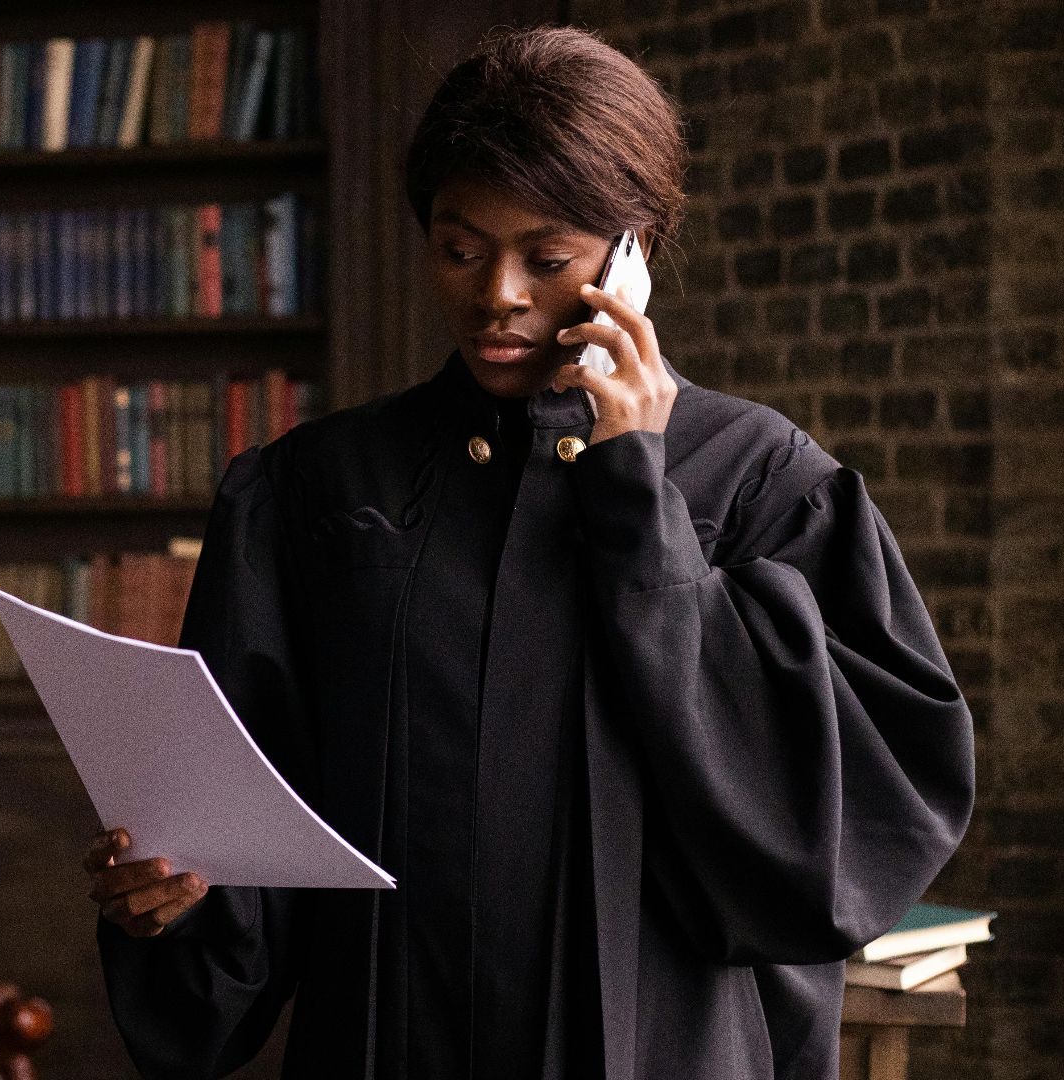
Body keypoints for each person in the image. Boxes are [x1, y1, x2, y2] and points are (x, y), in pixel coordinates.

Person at [81, 23, 975, 1080]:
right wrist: (173, 902)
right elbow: (250, 827)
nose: (496, 293)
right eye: (460, 247)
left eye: (546, 258)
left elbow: (836, 844)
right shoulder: (318, 491)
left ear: (633, 251)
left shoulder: (766, 487)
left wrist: (636, 491)